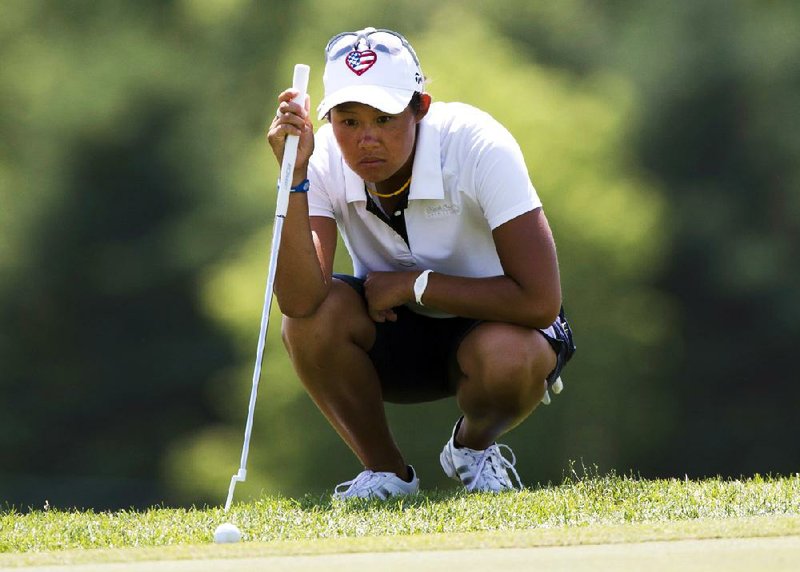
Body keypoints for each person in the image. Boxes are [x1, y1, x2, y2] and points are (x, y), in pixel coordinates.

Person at [267, 27, 575, 500]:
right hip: (393, 337)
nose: (367, 139)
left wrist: (416, 285)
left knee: (513, 358)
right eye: (348, 122)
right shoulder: (322, 157)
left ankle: (473, 449)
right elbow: (299, 299)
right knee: (306, 324)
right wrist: (296, 176)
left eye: (385, 118)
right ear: (328, 123)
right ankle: (387, 474)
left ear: (420, 108)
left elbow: (540, 300)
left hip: (501, 325)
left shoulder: (478, 144)